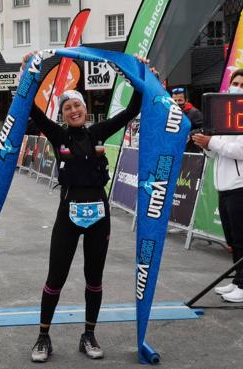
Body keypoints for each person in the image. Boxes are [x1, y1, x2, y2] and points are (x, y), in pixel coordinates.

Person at [23, 52, 148, 362]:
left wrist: (139, 71)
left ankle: (89, 335)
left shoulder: (98, 132)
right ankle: (43, 337)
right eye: (67, 107)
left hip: (99, 217)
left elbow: (134, 107)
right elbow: (31, 109)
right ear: (63, 114)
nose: (74, 110)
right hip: (68, 216)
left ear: (85, 108)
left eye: (77, 104)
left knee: (94, 279)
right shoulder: (57, 134)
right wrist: (30, 71)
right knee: (56, 278)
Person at [192, 68, 243, 303]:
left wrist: (212, 141)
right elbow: (219, 154)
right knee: (233, 240)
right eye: (236, 83)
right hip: (225, 187)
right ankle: (239, 280)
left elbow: (240, 151)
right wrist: (205, 145)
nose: (238, 88)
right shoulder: (226, 116)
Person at [171, 87, 203, 153]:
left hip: (191, 152)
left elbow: (205, 128)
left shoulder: (194, 112)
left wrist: (189, 135)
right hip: (175, 151)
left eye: (180, 100)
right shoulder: (170, 113)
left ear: (186, 100)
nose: (177, 103)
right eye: (174, 100)